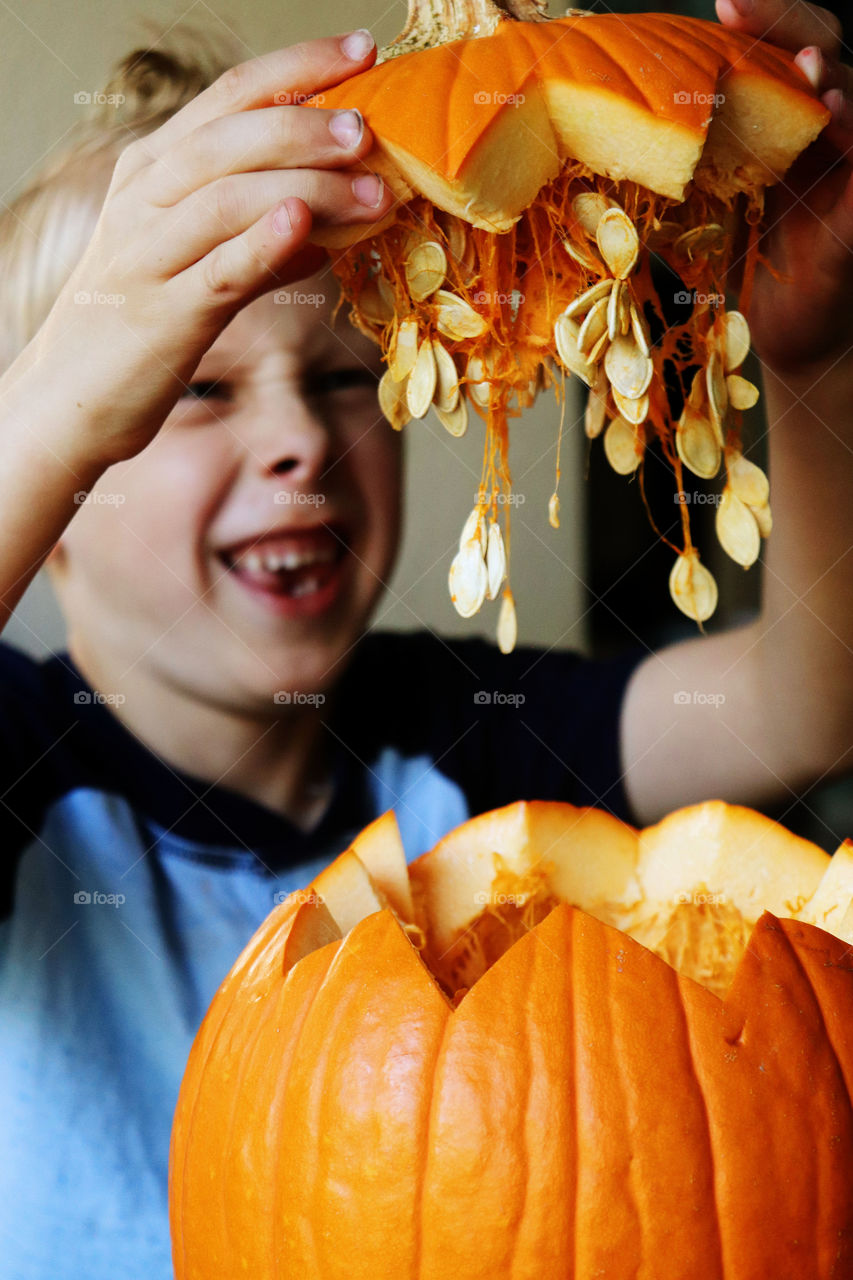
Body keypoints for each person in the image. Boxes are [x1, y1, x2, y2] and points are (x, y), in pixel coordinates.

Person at [0, 1, 849, 1275]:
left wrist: (816, 363)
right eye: (187, 389)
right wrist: (51, 418)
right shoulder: (24, 766)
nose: (298, 441)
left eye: (345, 375)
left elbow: (805, 703)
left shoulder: (462, 745)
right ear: (57, 505)